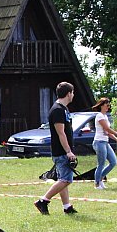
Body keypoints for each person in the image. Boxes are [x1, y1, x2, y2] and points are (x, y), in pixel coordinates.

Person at [35, 82, 79, 214]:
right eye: (72, 92)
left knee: (62, 179)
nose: (73, 95)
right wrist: (68, 151)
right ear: (68, 93)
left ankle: (67, 207)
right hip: (61, 151)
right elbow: (61, 133)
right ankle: (43, 201)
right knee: (66, 180)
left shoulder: (63, 109)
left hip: (63, 150)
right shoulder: (58, 110)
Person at [91, 98, 117, 189]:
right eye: (107, 105)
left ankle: (100, 179)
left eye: (109, 105)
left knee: (113, 162)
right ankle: (97, 184)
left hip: (105, 142)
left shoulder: (105, 116)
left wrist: (116, 139)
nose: (108, 107)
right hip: (99, 142)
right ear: (102, 105)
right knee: (101, 164)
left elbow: (107, 133)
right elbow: (107, 129)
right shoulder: (99, 116)